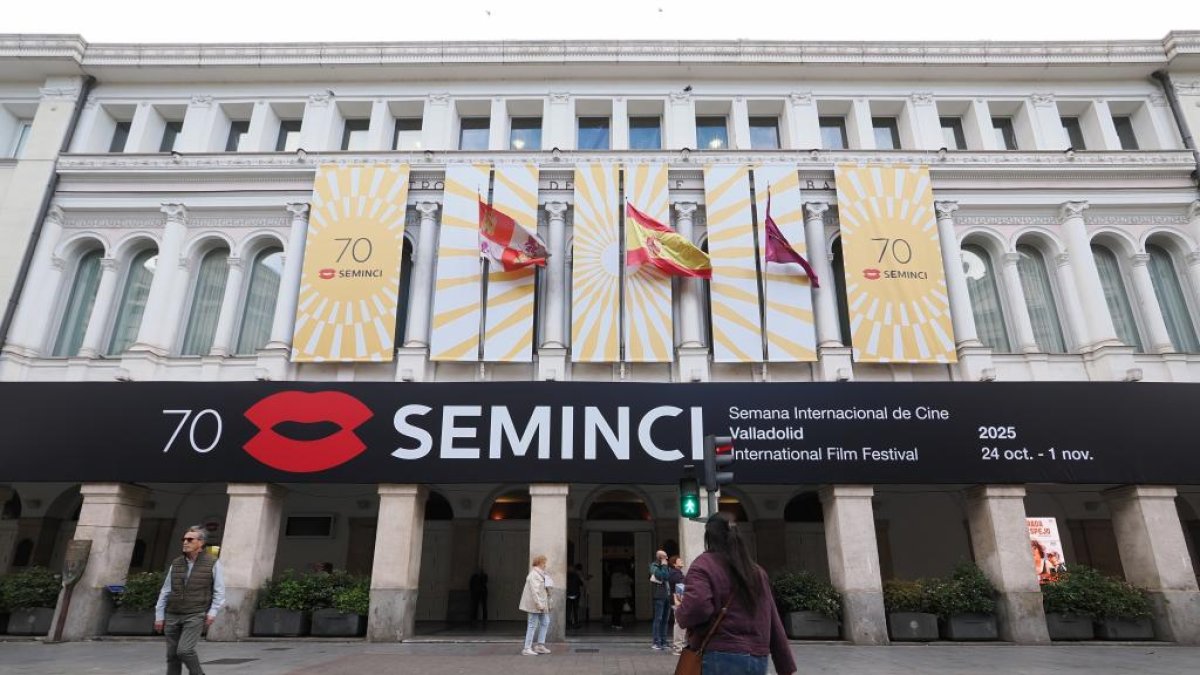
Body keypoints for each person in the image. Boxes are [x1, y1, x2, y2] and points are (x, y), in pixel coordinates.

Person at [675, 513, 795, 675]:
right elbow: (772, 617)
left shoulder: (703, 565)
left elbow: (698, 607)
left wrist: (680, 613)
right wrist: (784, 665)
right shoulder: (756, 571)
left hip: (720, 653)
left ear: (709, 537)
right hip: (757, 657)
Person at [154, 525, 225, 675]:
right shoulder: (177, 563)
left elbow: (219, 591)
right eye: (184, 539)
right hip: (173, 614)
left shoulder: (212, 562)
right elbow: (166, 590)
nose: (185, 542)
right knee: (172, 656)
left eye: (190, 539)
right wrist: (159, 615)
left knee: (184, 650)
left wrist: (212, 613)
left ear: (200, 543)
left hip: (195, 613)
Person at [519, 554, 554, 656]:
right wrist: (538, 604)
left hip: (542, 604)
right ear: (539, 563)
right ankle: (527, 648)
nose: (545, 565)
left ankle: (540, 645)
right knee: (532, 624)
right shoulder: (533, 575)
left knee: (545, 622)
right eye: (544, 563)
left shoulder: (541, 574)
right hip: (536, 605)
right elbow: (534, 591)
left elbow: (545, 589)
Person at [649, 549, 671, 649]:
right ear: (659, 557)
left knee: (665, 619)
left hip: (667, 595)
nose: (667, 558)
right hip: (659, 596)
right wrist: (664, 565)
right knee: (658, 619)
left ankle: (663, 641)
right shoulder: (654, 566)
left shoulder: (666, 566)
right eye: (664, 556)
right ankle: (656, 642)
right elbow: (663, 576)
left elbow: (669, 577)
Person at [667, 555, 687, 655]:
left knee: (680, 623)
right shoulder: (675, 574)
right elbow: (681, 587)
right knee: (679, 623)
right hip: (678, 600)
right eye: (680, 560)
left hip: (677, 600)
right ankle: (678, 647)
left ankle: (680, 645)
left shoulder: (677, 573)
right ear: (674, 564)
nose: (682, 561)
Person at [608, 564, 632, 629]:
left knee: (614, 610)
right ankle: (618, 624)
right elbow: (630, 581)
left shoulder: (613, 576)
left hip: (613, 595)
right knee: (619, 611)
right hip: (621, 595)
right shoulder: (625, 576)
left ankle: (613, 623)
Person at [566, 563, 585, 629]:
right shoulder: (576, 575)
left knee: (569, 610)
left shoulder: (566, 576)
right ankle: (575, 623)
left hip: (568, 595)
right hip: (576, 595)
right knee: (575, 610)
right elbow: (581, 583)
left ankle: (568, 623)